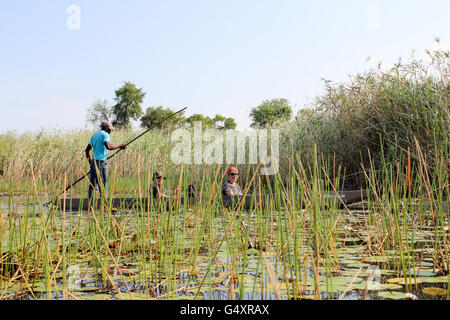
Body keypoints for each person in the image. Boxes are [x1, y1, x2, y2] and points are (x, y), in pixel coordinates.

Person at [85, 121, 127, 200]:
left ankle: (90, 205)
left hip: (94, 162)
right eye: (110, 129)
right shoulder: (105, 134)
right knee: (103, 184)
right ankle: (104, 205)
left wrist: (91, 163)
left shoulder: (94, 136)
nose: (110, 131)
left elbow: (87, 150)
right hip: (101, 163)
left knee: (92, 185)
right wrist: (120, 146)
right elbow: (108, 147)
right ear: (106, 128)